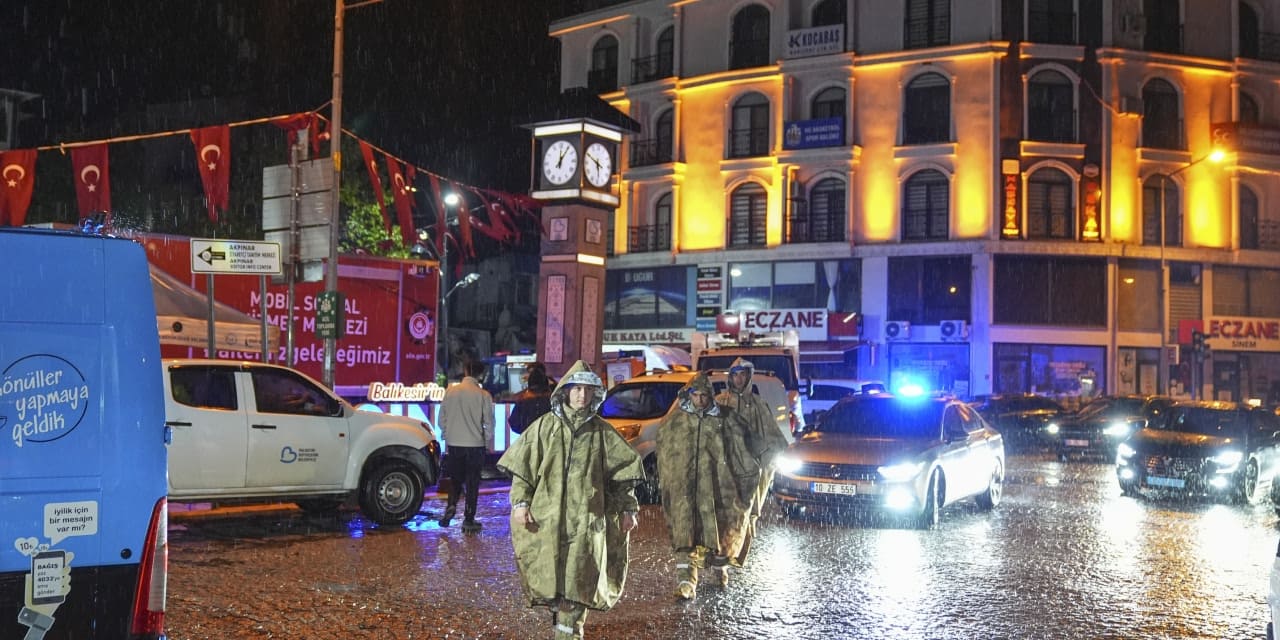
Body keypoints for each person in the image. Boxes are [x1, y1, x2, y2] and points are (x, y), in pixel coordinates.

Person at [497, 361, 644, 640]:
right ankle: (562, 624)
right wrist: (520, 503)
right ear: (565, 391)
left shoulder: (603, 433)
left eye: (588, 390)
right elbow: (523, 469)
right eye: (576, 388)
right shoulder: (544, 428)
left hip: (586, 523)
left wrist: (628, 508)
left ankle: (569, 632)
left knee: (579, 581)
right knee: (553, 582)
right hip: (548, 522)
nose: (581, 396)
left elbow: (622, 476)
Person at [657, 371, 759, 600]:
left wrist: (742, 483)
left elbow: (743, 452)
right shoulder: (675, 423)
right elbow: (666, 452)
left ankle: (719, 568)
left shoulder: (726, 420)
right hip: (686, 490)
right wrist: (672, 481)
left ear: (710, 396)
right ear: (688, 395)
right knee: (686, 534)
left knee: (720, 532)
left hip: (718, 489)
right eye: (696, 395)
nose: (700, 400)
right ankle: (686, 582)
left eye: (705, 395)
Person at [715, 358, 788, 566]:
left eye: (742, 375)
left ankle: (733, 556)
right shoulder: (721, 402)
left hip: (750, 468)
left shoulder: (758, 404)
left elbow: (771, 436)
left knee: (745, 512)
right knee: (725, 512)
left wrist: (765, 460)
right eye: (735, 375)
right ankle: (722, 556)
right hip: (726, 467)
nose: (739, 379)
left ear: (748, 376)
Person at [437, 359, 495, 532]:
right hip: (475, 445)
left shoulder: (451, 392)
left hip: (454, 444)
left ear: (464, 371)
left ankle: (451, 505)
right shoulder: (484, 395)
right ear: (480, 374)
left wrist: (448, 436)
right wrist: (486, 442)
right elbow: (489, 423)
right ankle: (469, 519)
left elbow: (441, 420)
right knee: (472, 482)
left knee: (455, 479)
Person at [508, 364, 553, 435]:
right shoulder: (552, 401)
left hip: (529, 440)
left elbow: (513, 422)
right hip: (548, 440)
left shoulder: (523, 400)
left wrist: (525, 433)